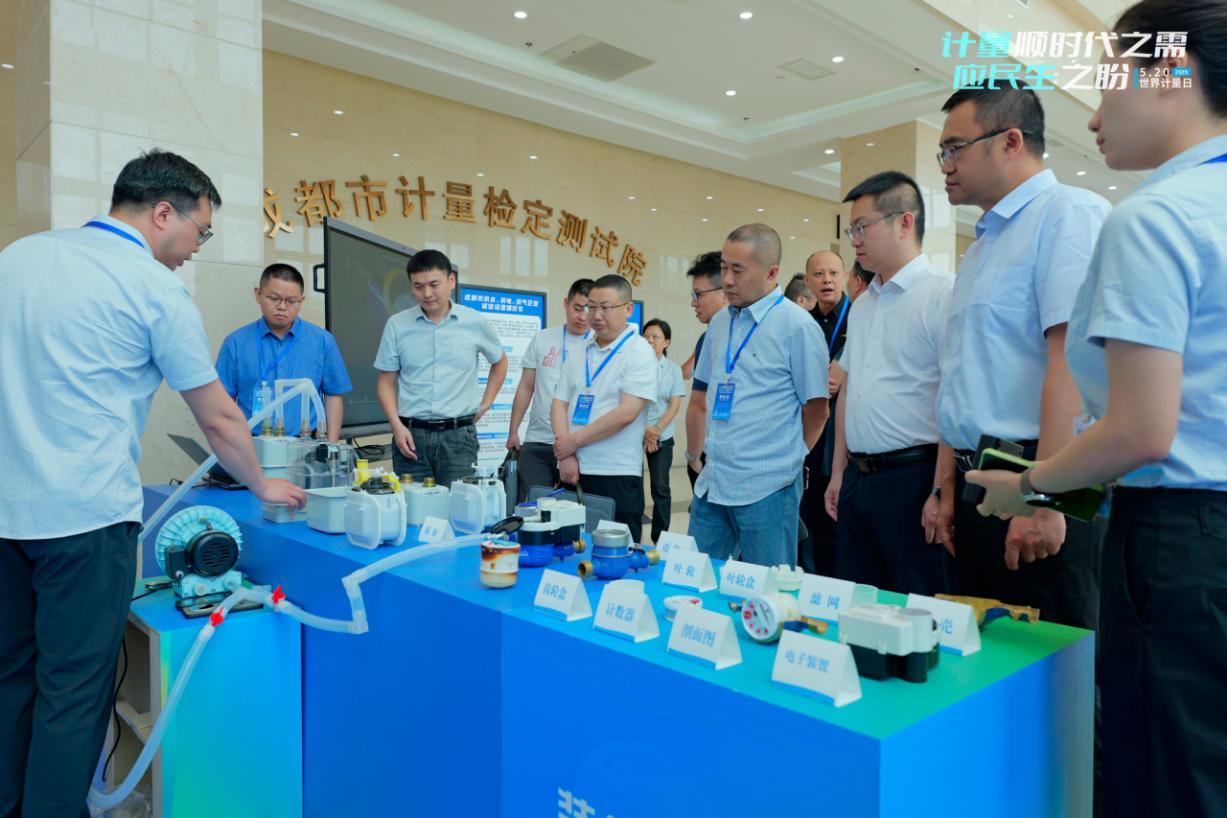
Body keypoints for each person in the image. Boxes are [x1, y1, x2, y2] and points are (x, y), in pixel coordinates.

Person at [968, 3, 1227, 814]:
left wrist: (1029, 485)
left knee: (1165, 772)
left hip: (1180, 544)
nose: (1091, 115)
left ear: (1171, 73)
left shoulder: (1155, 216)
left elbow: (1140, 430)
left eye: (1108, 83)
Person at [0, 150, 305, 818]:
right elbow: (218, 417)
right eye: (201, 231)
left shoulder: (19, 257)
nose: (195, 249)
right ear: (164, 212)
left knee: (12, 677)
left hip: (7, 514)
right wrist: (263, 486)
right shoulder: (152, 287)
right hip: (85, 520)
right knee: (72, 692)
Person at [936, 80, 1110, 628]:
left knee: (1050, 662)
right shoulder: (982, 246)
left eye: (954, 148)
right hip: (981, 481)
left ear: (1010, 142)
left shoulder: (1068, 215)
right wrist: (947, 489)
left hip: (1040, 477)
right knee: (986, 657)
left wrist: (1047, 498)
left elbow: (1072, 360)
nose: (945, 165)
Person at [823, 171, 955, 596]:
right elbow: (849, 390)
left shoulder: (942, 295)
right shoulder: (863, 305)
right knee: (858, 601)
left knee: (914, 605)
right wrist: (838, 472)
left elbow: (952, 397)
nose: (854, 241)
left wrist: (941, 490)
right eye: (851, 230)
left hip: (914, 479)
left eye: (862, 227)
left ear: (904, 222)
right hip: (859, 479)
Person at [686, 224, 829, 566]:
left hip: (768, 486)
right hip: (714, 482)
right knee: (695, 577)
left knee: (768, 587)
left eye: (738, 270)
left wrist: (791, 458)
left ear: (772, 273)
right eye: (724, 268)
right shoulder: (720, 323)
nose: (727, 280)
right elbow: (703, 394)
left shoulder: (797, 326)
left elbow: (817, 410)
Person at [375, 249, 508, 486]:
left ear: (451, 281)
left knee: (460, 503)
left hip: (458, 437)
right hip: (410, 435)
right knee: (413, 504)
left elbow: (499, 361)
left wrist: (486, 403)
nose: (426, 293)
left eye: (434, 284)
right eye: (418, 286)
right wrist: (396, 426)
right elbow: (386, 382)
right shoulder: (397, 325)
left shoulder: (474, 321)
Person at [551, 275, 657, 542]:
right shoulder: (581, 349)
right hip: (573, 469)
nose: (596, 315)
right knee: (571, 547)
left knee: (615, 551)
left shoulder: (639, 351)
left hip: (615, 472)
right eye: (592, 307)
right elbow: (559, 402)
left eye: (605, 308)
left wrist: (572, 442)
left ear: (628, 309)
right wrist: (566, 454)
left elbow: (626, 414)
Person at [216, 263, 352, 441]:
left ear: (301, 301)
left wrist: (331, 445)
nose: (282, 306)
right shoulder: (235, 343)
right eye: (274, 298)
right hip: (252, 444)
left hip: (306, 444)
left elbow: (334, 396)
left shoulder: (323, 341)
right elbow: (222, 401)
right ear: (258, 294)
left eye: (291, 301)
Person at [506, 278, 593, 501]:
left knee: (572, 510)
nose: (582, 317)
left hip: (580, 445)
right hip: (539, 440)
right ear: (566, 303)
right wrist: (513, 431)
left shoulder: (597, 345)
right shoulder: (543, 338)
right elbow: (526, 387)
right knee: (533, 506)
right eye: (577, 308)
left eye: (588, 309)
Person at [798, 249, 849, 576]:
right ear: (808, 281)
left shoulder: (859, 317)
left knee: (838, 519)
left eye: (833, 273)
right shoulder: (803, 322)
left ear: (844, 276)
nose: (827, 280)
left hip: (845, 434)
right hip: (810, 431)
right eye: (818, 274)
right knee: (810, 514)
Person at [680, 251, 726, 493]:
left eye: (698, 294)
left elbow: (699, 405)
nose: (693, 303)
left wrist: (693, 456)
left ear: (724, 292)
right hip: (713, 452)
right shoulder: (708, 338)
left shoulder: (712, 338)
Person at [641, 319, 686, 543]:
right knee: (631, 486)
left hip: (662, 435)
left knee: (660, 488)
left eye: (655, 337)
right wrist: (645, 431)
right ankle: (631, 533)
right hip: (634, 433)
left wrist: (655, 431)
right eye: (646, 336)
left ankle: (661, 539)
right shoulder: (633, 365)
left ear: (666, 342)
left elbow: (674, 406)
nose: (650, 340)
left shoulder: (673, 370)